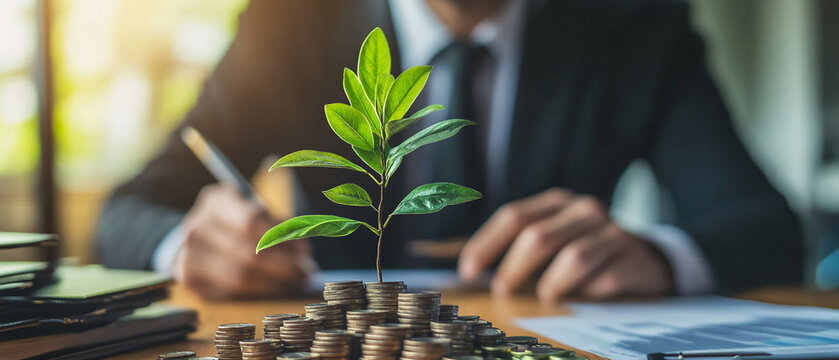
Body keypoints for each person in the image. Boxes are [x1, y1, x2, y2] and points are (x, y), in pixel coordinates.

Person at [96, 0, 803, 301]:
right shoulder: (291, 23)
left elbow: (764, 229)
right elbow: (127, 209)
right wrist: (183, 243)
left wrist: (657, 257)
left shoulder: (630, 23)